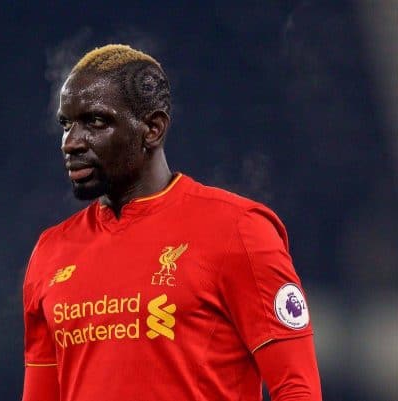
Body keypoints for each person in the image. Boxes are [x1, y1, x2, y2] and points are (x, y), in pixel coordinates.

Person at [22, 44, 322, 401]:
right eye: (67, 125)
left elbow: (297, 389)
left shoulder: (239, 230)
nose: (71, 143)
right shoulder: (50, 252)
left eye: (95, 122)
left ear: (152, 129)